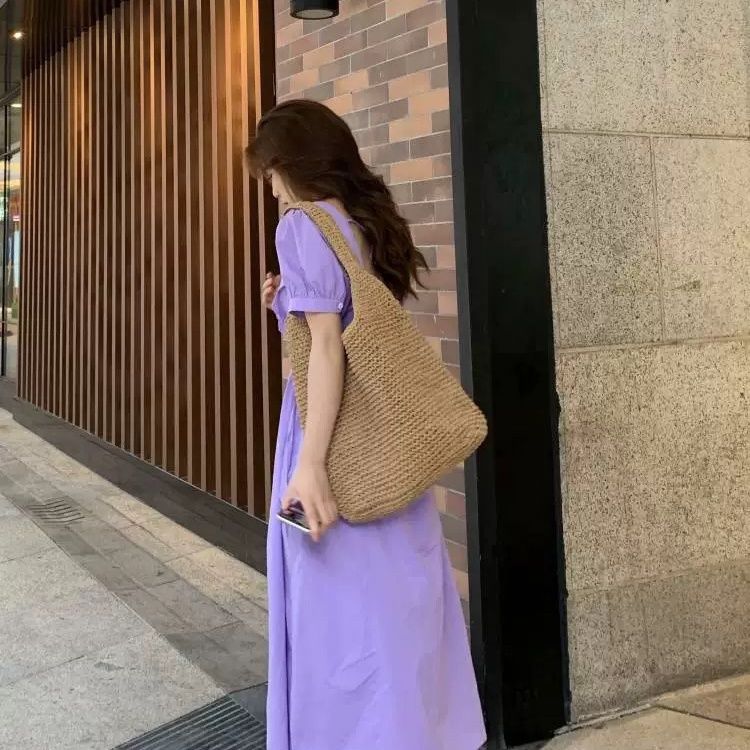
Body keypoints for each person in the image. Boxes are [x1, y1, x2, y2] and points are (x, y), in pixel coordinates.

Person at [247, 99, 486, 750]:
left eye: (270, 173)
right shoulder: (359, 222)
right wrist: (285, 308)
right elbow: (340, 329)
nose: (271, 188)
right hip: (384, 447)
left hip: (331, 435)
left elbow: (327, 351)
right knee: (397, 608)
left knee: (337, 615)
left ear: (294, 163)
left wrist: (311, 464)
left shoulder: (301, 225)